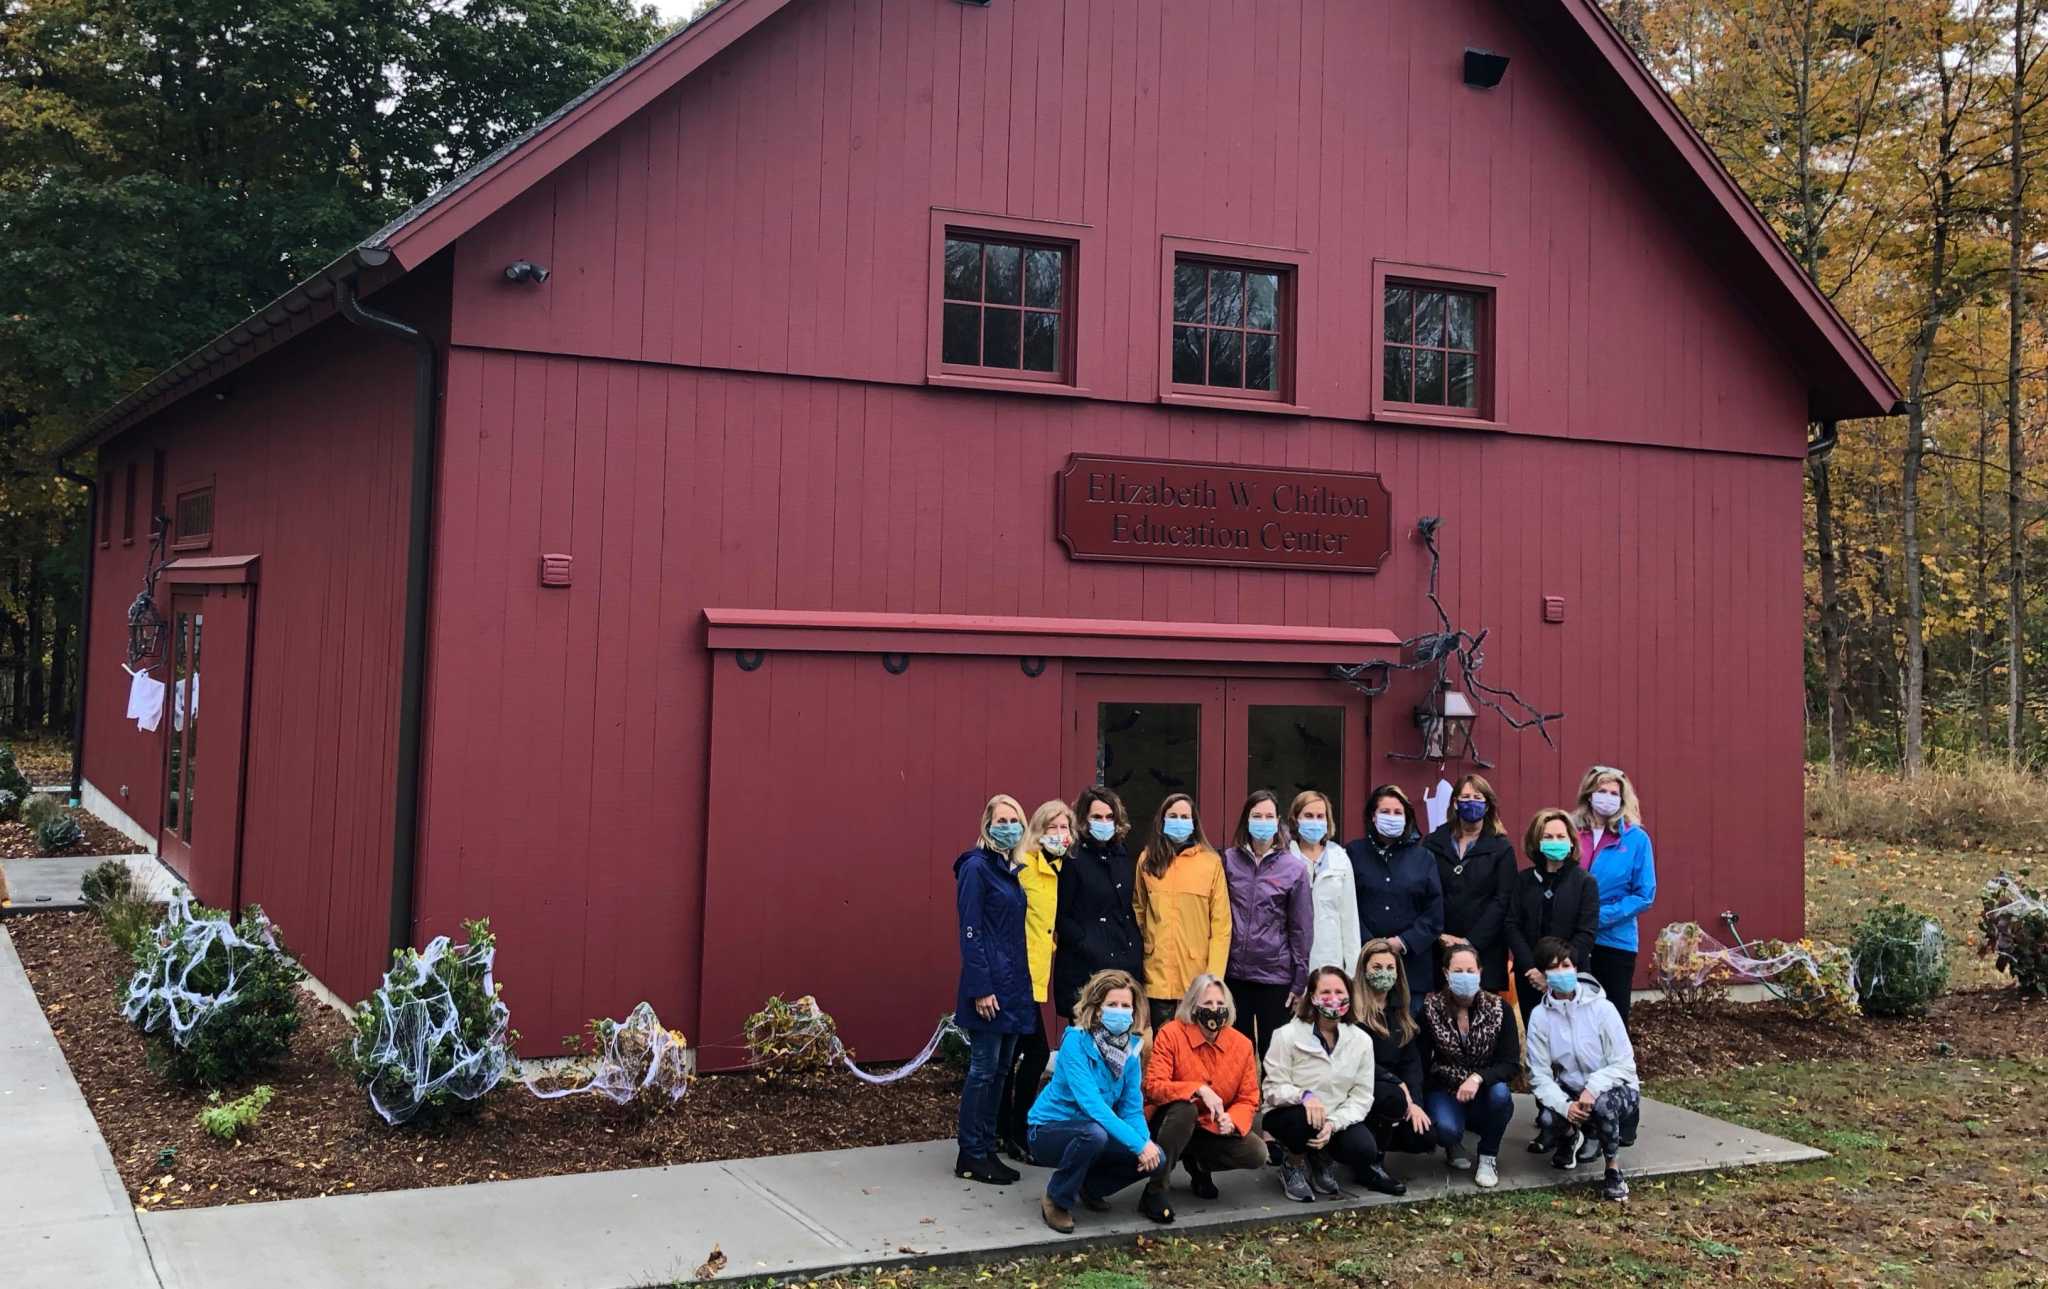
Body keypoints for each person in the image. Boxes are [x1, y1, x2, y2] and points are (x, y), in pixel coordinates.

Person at [1026, 969, 1164, 1232]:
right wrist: (1138, 1144)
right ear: (1097, 1008)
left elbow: (1132, 1109)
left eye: (1126, 1005)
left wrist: (1144, 1143)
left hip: (1091, 1130)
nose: (1120, 1011)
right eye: (1112, 1004)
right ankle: (1056, 1198)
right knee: (1094, 1134)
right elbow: (1093, 1106)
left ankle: (1089, 1187)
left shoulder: (1131, 1050)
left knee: (1158, 1157)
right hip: (1048, 1131)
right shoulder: (1075, 1042)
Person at [1261, 966, 1406, 1202]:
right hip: (1291, 1113)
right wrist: (1304, 1096)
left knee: (1363, 1149)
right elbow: (1271, 1090)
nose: (1333, 998)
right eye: (1325, 991)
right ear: (1312, 996)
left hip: (1334, 1116)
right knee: (1302, 1122)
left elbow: (1362, 1096)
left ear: (1350, 995)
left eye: (1340, 991)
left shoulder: (1361, 1040)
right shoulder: (1286, 1035)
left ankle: (1321, 1160)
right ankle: (1293, 1164)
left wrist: (1333, 1123)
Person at [952, 794, 1034, 1185]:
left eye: (1015, 819)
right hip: (989, 990)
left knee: (1002, 1070)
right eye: (1001, 819)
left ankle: (987, 1147)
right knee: (983, 1070)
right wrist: (981, 987)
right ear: (987, 823)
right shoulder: (976, 868)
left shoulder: (1010, 871)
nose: (1008, 826)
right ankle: (970, 1152)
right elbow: (971, 933)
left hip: (1014, 989)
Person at [1140, 975, 1268, 1221]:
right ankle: (1155, 1189)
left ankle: (1198, 1166)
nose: (1214, 1010)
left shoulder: (1241, 1044)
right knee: (1185, 1110)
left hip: (1211, 1127)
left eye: (1220, 1003)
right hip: (1169, 1121)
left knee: (1256, 1152)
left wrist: (1233, 1120)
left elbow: (1249, 1097)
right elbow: (1153, 1087)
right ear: (1192, 1005)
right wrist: (1197, 1089)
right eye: (1206, 1003)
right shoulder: (1171, 1034)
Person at [1525, 936, 1641, 1203]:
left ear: (1576, 969)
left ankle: (1613, 1170)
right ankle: (1569, 1136)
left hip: (1616, 1087)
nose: (1562, 972)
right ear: (1543, 975)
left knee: (1602, 1107)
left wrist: (1592, 1088)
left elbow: (1624, 1063)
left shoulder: (1603, 1009)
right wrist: (1566, 1106)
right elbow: (1539, 1075)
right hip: (1572, 1087)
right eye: (1553, 967)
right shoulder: (1540, 1017)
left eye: (1567, 965)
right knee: (1547, 1119)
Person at [998, 798, 1072, 1163]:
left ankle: (1002, 1129)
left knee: (1014, 1052)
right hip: (1018, 974)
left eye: (1065, 828)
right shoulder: (1025, 867)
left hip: (1038, 973)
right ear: (1038, 831)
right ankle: (1015, 1129)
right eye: (1053, 828)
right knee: (1035, 1052)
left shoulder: (1060, 869)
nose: (1061, 835)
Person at [1418, 941, 1519, 1189]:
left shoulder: (1499, 1008)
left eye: (1470, 971)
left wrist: (1477, 1078)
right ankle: (1453, 1143)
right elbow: (1420, 1058)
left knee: (1501, 1094)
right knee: (1446, 1129)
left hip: (1484, 1088)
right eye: (1458, 971)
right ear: (1446, 973)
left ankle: (1488, 1156)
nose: (1465, 977)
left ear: (1480, 973)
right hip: (1445, 1087)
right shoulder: (1430, 1009)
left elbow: (1511, 1063)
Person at [1220, 790, 1311, 1061]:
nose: (1263, 821)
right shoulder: (1227, 861)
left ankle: (1274, 1103)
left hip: (1275, 975)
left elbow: (1301, 928)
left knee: (1275, 1054)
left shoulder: (1294, 869)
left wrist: (1299, 979)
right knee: (1237, 1053)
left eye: (1268, 816)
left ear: (1278, 820)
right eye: (1256, 815)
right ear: (1246, 820)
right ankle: (1243, 1103)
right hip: (1235, 973)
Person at [1134, 793, 1232, 1032]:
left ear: (1194, 823)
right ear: (1162, 821)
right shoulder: (1148, 860)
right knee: (1164, 1044)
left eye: (1185, 816)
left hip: (1196, 973)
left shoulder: (1211, 863)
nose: (1179, 821)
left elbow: (1221, 925)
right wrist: (1151, 943)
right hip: (1158, 972)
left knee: (1197, 1045)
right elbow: (1139, 908)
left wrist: (1214, 977)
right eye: (1173, 816)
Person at [1344, 785, 1444, 1010]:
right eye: (1385, 812)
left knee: (1407, 1035)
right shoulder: (1353, 853)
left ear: (1407, 817)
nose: (1392, 818)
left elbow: (1434, 914)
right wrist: (1371, 943)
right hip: (1363, 965)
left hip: (1411, 971)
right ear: (1373, 815)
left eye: (1398, 813)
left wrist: (1403, 942)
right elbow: (1346, 906)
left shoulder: (1424, 858)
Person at [1572, 766, 1657, 1030]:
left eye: (1613, 793)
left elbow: (1644, 894)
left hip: (1616, 941)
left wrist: (1598, 917)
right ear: (1589, 794)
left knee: (1613, 1014)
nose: (1607, 797)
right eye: (1601, 791)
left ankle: (1616, 1068)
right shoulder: (1571, 832)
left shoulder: (1636, 839)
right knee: (1576, 1011)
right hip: (1573, 937)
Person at [1053, 786, 1144, 1020]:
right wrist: (1086, 942)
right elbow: (1060, 914)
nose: (1104, 822)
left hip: (1122, 965)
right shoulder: (1072, 858)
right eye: (1097, 817)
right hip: (1084, 967)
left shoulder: (1122, 857)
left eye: (1109, 817)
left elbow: (1127, 909)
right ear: (1084, 819)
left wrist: (1134, 948)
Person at [1422, 774, 1516, 997]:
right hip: (1439, 949)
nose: (1471, 802)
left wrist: (1469, 942)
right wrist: (1439, 934)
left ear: (1487, 805)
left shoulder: (1501, 848)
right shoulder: (1433, 843)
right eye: (1465, 797)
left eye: (1477, 797)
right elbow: (1424, 893)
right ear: (1455, 802)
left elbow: (1502, 900)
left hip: (1485, 951)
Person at [1507, 808, 1601, 1032]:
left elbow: (1586, 932)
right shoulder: (1523, 881)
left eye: (1561, 836)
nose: (1555, 841)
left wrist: (1555, 971)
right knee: (1537, 1037)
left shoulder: (1585, 882)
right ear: (1537, 841)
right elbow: (1511, 925)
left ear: (1571, 842)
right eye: (1547, 837)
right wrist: (1532, 968)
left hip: (1571, 976)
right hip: (1530, 977)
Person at [1352, 938, 1433, 1159]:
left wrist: (1415, 1104)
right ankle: (1372, 1158)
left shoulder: (1400, 1012)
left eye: (1390, 968)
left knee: (1424, 1137)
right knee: (1392, 1097)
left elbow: (1411, 1064)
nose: (1384, 973)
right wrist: (1397, 1084)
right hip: (1361, 1086)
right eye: (1377, 967)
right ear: (1364, 970)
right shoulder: (1351, 1012)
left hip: (1397, 1093)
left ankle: (1378, 1139)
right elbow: (1357, 1061)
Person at [1289, 790, 1360, 982]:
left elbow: (1349, 918)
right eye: (1308, 816)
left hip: (1330, 960)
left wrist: (1352, 970)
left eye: (1320, 816)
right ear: (1296, 819)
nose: (1315, 821)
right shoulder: (1285, 858)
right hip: (1290, 964)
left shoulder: (1340, 858)